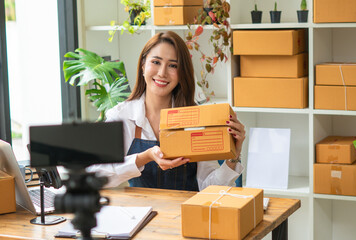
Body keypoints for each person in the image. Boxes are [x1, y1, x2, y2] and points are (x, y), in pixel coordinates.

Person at [89, 31, 245, 191]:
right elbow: (95, 175)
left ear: (181, 73)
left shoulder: (195, 118)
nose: (162, 73)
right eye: (156, 62)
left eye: (173, 65)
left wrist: (233, 156)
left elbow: (209, 188)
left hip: (185, 212)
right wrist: (145, 157)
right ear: (143, 66)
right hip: (142, 213)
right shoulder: (122, 116)